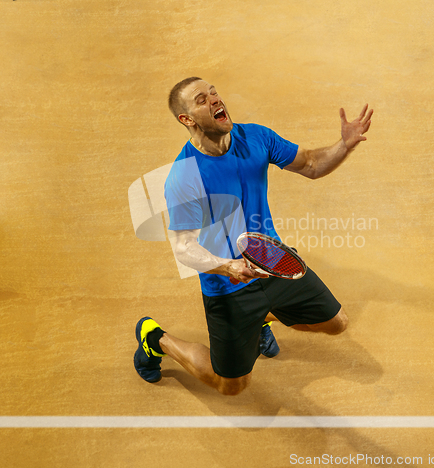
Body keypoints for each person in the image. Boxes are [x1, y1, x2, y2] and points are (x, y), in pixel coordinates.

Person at [134, 77, 373, 395]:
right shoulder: (184, 176)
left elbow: (312, 164)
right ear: (187, 119)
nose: (215, 99)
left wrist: (344, 145)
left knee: (337, 323)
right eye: (202, 99)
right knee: (230, 386)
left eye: (214, 92)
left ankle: (264, 316)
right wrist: (228, 267)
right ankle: (156, 341)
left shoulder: (256, 138)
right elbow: (183, 246)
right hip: (227, 285)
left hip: (272, 260)